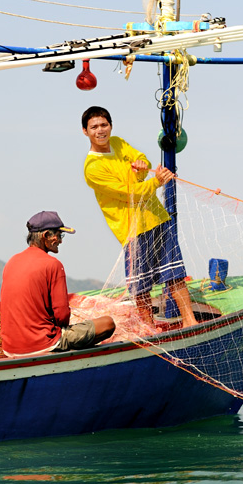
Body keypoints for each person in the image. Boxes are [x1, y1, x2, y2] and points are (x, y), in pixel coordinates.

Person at [81, 106, 197, 328]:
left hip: (156, 217)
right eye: (94, 127)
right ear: (85, 132)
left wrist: (143, 166)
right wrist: (155, 182)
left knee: (174, 273)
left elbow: (140, 160)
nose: (100, 130)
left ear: (111, 126)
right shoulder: (92, 168)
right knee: (141, 285)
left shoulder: (117, 142)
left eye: (104, 124)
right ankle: (148, 329)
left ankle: (190, 320)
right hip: (132, 230)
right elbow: (128, 193)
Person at [0, 210, 115, 358]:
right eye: (59, 235)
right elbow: (62, 316)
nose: (60, 241)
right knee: (107, 323)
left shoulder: (12, 261)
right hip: (43, 344)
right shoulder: (53, 265)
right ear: (46, 235)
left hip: (9, 348)